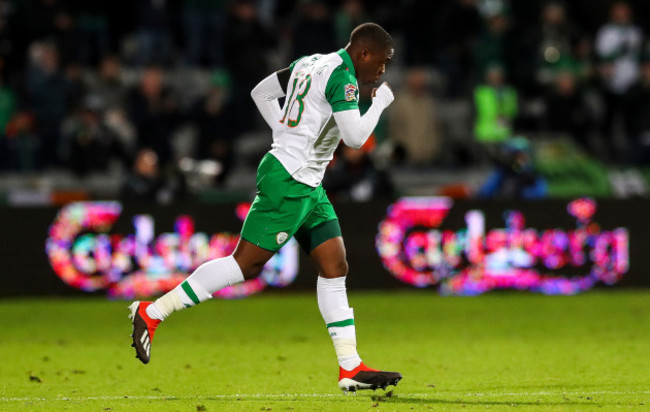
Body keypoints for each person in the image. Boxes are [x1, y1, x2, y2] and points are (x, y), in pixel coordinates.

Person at [128, 23, 402, 393]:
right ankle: (153, 311)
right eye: (382, 63)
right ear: (364, 53)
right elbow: (355, 138)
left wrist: (284, 131)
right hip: (290, 180)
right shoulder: (344, 78)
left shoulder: (310, 63)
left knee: (335, 264)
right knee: (245, 264)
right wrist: (381, 102)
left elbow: (263, 91)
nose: (382, 72)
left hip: (306, 180)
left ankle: (350, 366)